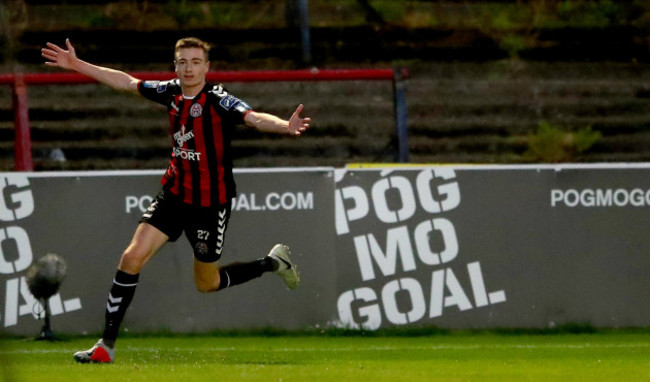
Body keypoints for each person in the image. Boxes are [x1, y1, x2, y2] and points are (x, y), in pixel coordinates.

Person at [41, 37, 310, 364]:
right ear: (176, 65)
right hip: (174, 194)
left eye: (195, 62)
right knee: (131, 258)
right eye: (182, 62)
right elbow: (126, 82)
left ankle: (272, 263)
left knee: (207, 283)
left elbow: (253, 118)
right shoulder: (170, 91)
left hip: (210, 204)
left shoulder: (218, 100)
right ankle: (105, 346)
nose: (188, 68)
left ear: (206, 67)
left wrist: (286, 126)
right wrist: (76, 64)